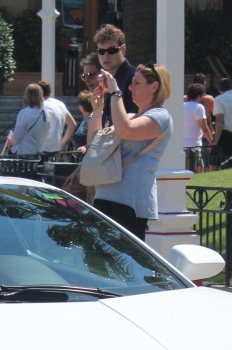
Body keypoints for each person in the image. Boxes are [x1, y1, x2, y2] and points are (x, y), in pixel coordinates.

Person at [64, 63, 173, 242]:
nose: (130, 87)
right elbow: (95, 144)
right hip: (105, 196)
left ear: (154, 87)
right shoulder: (129, 116)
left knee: (125, 263)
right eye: (130, 83)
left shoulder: (160, 116)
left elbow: (126, 130)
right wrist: (97, 111)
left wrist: (115, 92)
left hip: (130, 201)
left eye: (136, 83)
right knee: (100, 260)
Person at [93, 23, 137, 127]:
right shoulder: (106, 79)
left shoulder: (134, 78)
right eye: (101, 51)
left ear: (123, 49)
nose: (106, 56)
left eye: (112, 50)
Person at [5, 84, 50, 156]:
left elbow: (17, 137)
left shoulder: (25, 113)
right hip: (38, 152)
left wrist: (10, 141)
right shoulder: (46, 114)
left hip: (24, 153)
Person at [38, 79, 77, 153]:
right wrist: (62, 143)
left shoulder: (40, 106)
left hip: (41, 149)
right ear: (50, 91)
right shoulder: (60, 104)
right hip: (56, 148)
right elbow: (72, 124)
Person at [183, 83, 214, 171]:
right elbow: (204, 128)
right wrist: (212, 142)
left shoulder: (182, 106)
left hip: (182, 145)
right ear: (200, 96)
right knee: (198, 170)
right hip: (194, 145)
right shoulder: (199, 107)